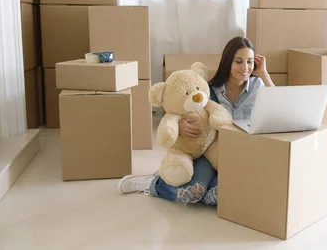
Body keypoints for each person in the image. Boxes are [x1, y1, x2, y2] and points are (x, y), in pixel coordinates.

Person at [116, 36, 275, 205]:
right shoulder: (209, 89)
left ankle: (204, 194)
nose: (245, 68)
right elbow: (185, 111)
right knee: (193, 191)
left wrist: (264, 74)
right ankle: (154, 183)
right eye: (238, 61)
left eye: (250, 62)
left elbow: (278, 107)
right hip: (209, 150)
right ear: (228, 62)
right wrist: (179, 124)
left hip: (240, 152)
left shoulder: (258, 85)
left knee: (220, 193)